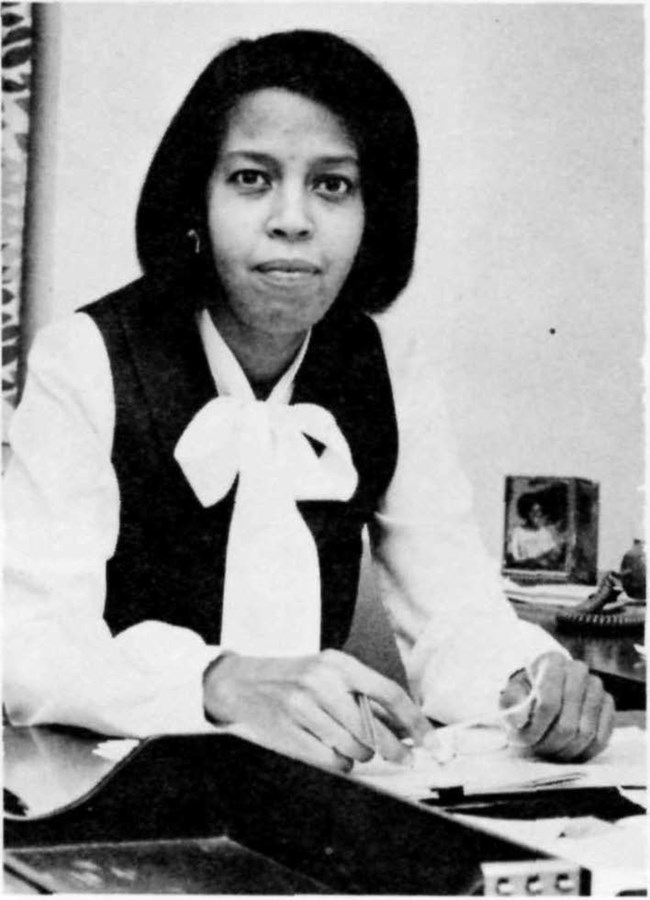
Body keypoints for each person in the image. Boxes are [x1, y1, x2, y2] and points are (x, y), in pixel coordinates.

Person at [4, 30, 614, 771]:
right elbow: (28, 646)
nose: (292, 219)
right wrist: (216, 680)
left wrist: (527, 679)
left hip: (310, 789)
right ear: (196, 199)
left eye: (333, 185)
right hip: (94, 785)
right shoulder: (87, 357)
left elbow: (454, 613)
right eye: (252, 179)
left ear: (373, 213)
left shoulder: (390, 369)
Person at [507, 493, 565, 569]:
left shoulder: (544, 532)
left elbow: (553, 555)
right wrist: (536, 561)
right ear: (525, 513)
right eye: (534, 512)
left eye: (539, 511)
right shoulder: (517, 532)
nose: (538, 515)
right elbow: (515, 559)